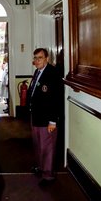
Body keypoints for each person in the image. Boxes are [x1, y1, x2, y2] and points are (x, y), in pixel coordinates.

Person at [26, 48, 63, 187]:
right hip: (36, 117)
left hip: (47, 120)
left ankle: (48, 175)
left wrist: (53, 121)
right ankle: (41, 167)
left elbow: (56, 100)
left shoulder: (53, 74)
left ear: (47, 58)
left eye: (40, 58)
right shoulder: (38, 72)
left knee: (48, 147)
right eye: (35, 58)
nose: (36, 61)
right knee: (38, 145)